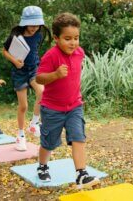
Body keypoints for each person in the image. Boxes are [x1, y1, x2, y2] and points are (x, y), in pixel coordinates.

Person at [35, 13, 100, 189]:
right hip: (52, 109)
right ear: (56, 38)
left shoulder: (79, 52)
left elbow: (74, 77)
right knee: (49, 143)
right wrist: (55, 75)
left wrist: (76, 95)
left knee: (78, 137)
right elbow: (39, 78)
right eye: (67, 38)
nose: (73, 42)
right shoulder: (51, 56)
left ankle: (81, 174)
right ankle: (42, 165)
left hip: (74, 107)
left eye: (76, 38)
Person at [2, 6, 51, 151]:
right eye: (32, 25)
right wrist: (14, 61)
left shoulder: (38, 35)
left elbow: (35, 51)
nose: (35, 28)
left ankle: (34, 123)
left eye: (37, 25)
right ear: (24, 23)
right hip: (19, 72)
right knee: (23, 106)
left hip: (34, 69)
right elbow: (5, 51)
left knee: (42, 93)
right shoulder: (15, 36)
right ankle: (21, 135)